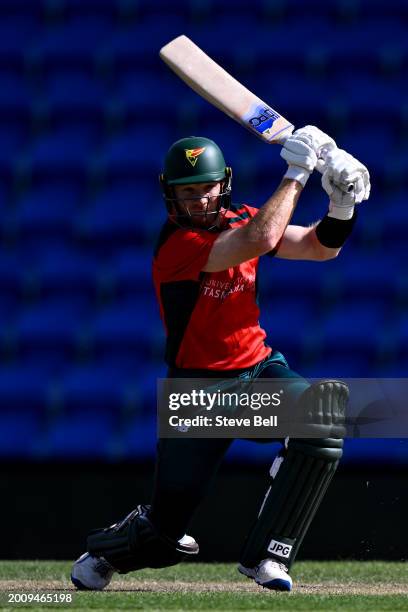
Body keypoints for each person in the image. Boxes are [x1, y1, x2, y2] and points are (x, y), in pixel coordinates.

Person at [71, 126, 370, 592]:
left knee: (322, 423)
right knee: (164, 536)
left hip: (256, 368)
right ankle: (106, 550)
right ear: (169, 195)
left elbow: (319, 248)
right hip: (197, 389)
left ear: (223, 185)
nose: (196, 201)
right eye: (185, 192)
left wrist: (342, 204)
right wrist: (297, 172)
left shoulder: (243, 218)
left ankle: (269, 558)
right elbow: (258, 237)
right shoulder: (176, 246)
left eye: (205, 190)